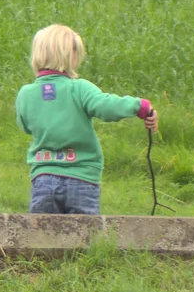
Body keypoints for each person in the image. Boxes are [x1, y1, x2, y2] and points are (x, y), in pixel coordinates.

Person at [16, 24, 158, 215]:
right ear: (70, 56)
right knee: (85, 239)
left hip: (43, 178)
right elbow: (106, 106)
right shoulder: (79, 88)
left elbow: (25, 126)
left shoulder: (26, 94)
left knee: (44, 237)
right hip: (81, 178)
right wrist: (139, 106)